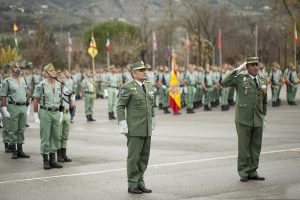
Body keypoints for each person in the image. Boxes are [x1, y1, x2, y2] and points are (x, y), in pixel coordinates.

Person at [221, 57, 267, 182]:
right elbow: (224, 82)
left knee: (256, 147)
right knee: (244, 147)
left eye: (256, 65)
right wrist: (238, 69)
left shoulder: (263, 80)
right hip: (243, 119)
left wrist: (265, 117)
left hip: (257, 119)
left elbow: (264, 101)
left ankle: (253, 171)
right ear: (247, 68)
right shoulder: (241, 79)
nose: (255, 67)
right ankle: (244, 172)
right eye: (252, 65)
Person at [116, 61, 155, 194]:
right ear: (133, 73)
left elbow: (151, 105)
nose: (145, 72)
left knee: (144, 157)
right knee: (134, 158)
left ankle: (140, 182)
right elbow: (120, 106)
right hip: (134, 128)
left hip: (147, 127)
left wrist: (153, 119)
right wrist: (123, 124)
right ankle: (132, 184)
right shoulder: (128, 87)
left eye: (145, 69)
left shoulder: (149, 86)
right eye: (141, 70)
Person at [33, 63, 63, 169]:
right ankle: (45, 160)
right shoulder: (40, 85)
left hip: (56, 112)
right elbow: (35, 100)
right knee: (45, 136)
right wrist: (36, 115)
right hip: (45, 112)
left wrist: (61, 112)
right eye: (51, 70)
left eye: (54, 70)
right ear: (45, 73)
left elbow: (61, 99)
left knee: (55, 136)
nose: (53, 71)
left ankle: (52, 159)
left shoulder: (59, 84)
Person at [1, 61, 30, 159]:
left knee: (21, 129)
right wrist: (4, 109)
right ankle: (13, 150)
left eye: (18, 67)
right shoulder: (7, 81)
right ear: (11, 69)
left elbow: (27, 93)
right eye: (15, 67)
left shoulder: (23, 80)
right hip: (13, 107)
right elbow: (3, 96)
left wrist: (27, 102)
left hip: (23, 106)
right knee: (13, 129)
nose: (18, 69)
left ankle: (20, 149)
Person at [56, 71, 74, 163]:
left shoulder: (68, 89)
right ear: (56, 79)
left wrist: (72, 114)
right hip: (59, 113)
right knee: (58, 135)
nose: (62, 79)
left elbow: (72, 102)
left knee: (65, 135)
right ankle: (58, 155)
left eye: (63, 77)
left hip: (67, 113)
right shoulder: (55, 89)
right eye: (60, 78)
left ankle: (64, 154)